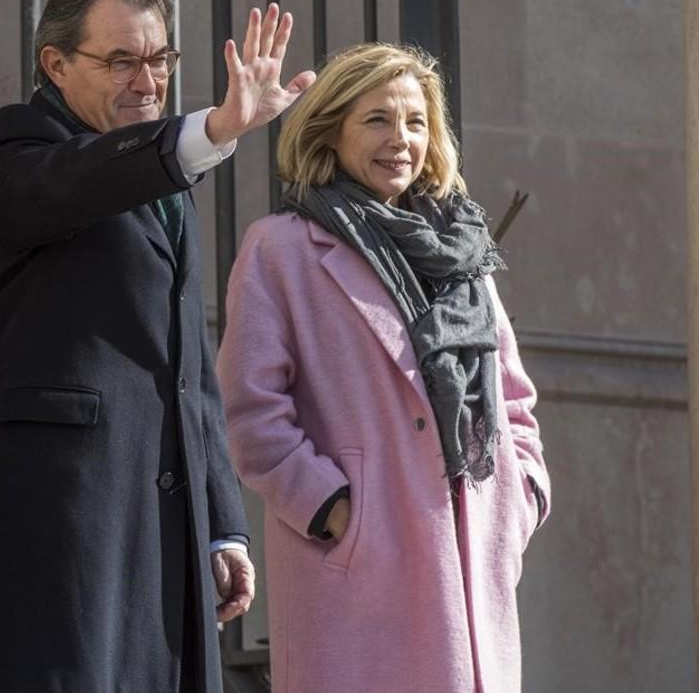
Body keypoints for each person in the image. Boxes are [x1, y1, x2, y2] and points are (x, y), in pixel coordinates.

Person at [0, 0, 315, 692]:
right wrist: (212, 131)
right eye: (121, 61)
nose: (148, 81)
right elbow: (79, 178)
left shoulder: (159, 176)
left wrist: (222, 517)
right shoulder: (14, 147)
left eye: (160, 57)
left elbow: (186, 361)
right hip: (61, 522)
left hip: (159, 521)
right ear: (56, 63)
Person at [215, 42, 551, 692]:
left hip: (472, 569)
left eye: (417, 121)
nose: (401, 138)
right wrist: (335, 509)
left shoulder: (461, 255)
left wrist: (523, 496)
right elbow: (251, 411)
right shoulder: (281, 250)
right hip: (357, 588)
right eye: (377, 119)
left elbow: (513, 401)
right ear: (330, 130)